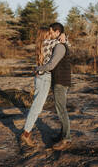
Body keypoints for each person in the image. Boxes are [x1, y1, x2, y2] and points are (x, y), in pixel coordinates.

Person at [21, 27, 66, 147]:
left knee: (37, 105)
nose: (51, 36)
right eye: (49, 34)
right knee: (37, 107)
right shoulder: (47, 43)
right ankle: (26, 134)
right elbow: (62, 42)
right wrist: (63, 36)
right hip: (44, 77)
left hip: (41, 77)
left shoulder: (41, 44)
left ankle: (27, 132)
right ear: (44, 36)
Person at [36, 22, 72, 151]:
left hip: (61, 81)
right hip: (59, 80)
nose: (49, 34)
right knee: (60, 108)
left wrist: (38, 68)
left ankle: (67, 138)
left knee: (61, 109)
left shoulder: (60, 47)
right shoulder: (58, 44)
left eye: (51, 32)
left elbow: (51, 65)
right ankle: (63, 135)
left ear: (57, 33)